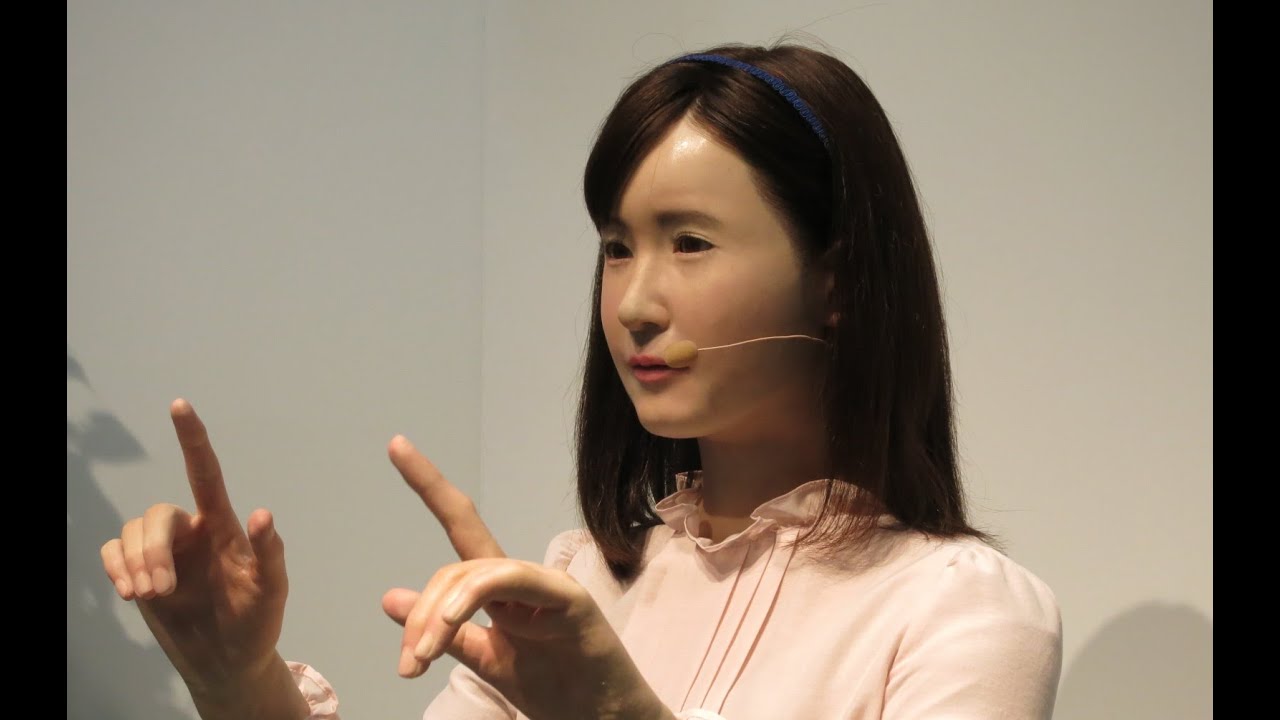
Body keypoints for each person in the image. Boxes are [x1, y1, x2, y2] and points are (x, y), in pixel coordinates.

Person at [99, 42, 1063, 719]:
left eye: (690, 242)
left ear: (837, 282)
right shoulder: (583, 583)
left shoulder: (960, 611)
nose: (634, 302)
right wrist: (237, 681)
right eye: (616, 246)